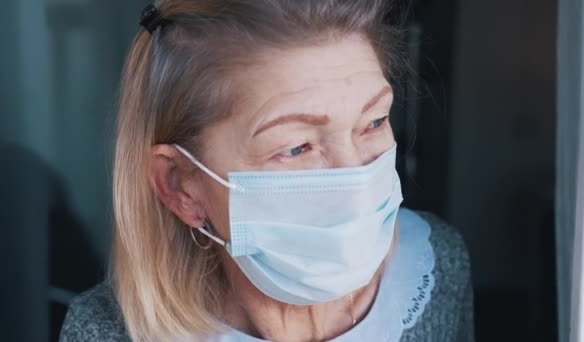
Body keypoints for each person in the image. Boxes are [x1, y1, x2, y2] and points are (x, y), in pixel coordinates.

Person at [60, 0, 474, 341]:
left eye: (374, 122)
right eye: (296, 147)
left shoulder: (436, 266)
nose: (356, 186)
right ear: (180, 186)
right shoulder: (103, 332)